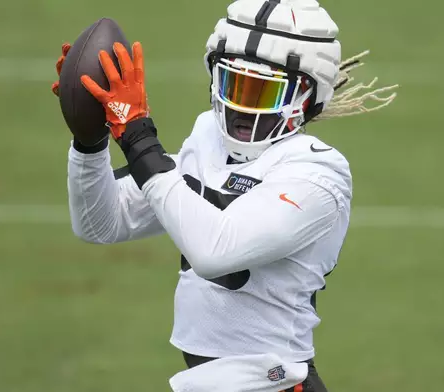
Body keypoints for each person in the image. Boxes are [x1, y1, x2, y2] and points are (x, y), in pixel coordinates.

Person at [52, 1, 397, 390]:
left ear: (305, 97)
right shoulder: (208, 139)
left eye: (262, 94)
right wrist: (90, 140)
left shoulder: (317, 173)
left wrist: (137, 135)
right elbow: (101, 223)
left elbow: (214, 250)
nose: (241, 107)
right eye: (235, 85)